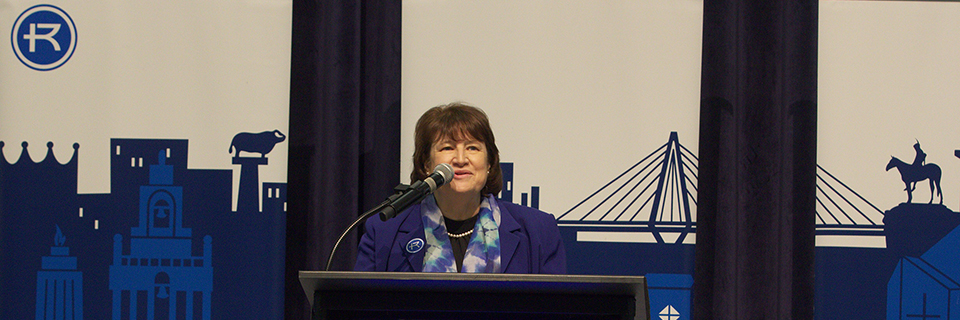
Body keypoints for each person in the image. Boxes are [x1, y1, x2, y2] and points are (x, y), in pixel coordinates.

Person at [354, 102, 566, 273]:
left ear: (490, 163)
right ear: (426, 164)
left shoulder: (538, 230)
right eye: (447, 147)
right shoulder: (383, 232)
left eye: (473, 148)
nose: (461, 159)